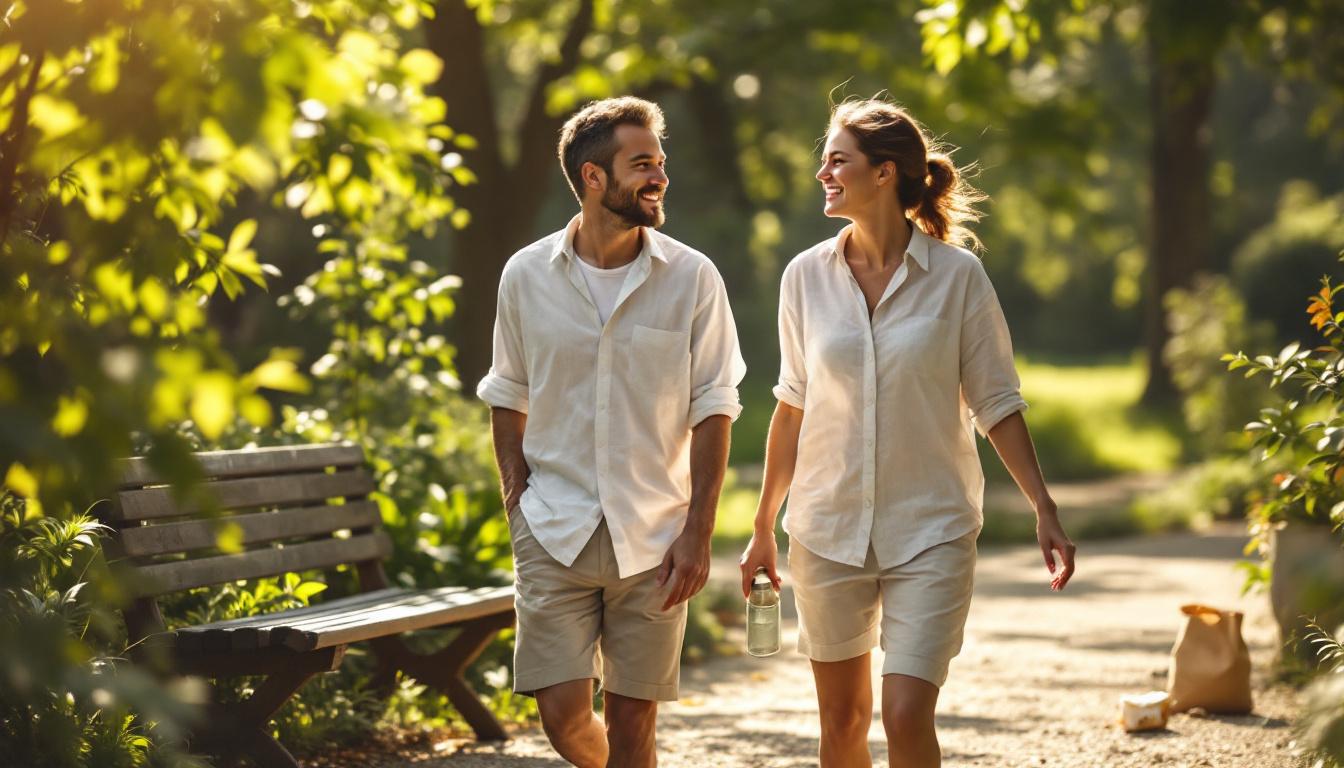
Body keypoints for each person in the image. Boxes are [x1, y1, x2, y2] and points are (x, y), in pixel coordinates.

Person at [738, 98, 1077, 768]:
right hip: (827, 528)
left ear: (885, 172)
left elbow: (997, 401)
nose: (823, 173)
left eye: (838, 160)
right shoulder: (805, 277)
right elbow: (792, 405)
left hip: (932, 528)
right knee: (841, 720)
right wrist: (761, 526)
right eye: (824, 160)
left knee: (903, 712)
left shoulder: (958, 279)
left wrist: (1044, 506)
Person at [477, 96, 746, 768]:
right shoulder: (525, 275)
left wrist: (698, 531)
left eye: (660, 163)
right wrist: (517, 504)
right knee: (564, 722)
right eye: (642, 164)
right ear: (593, 178)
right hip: (553, 529)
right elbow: (508, 394)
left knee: (632, 730)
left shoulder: (692, 278)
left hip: (655, 536)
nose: (659, 177)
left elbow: (714, 405)